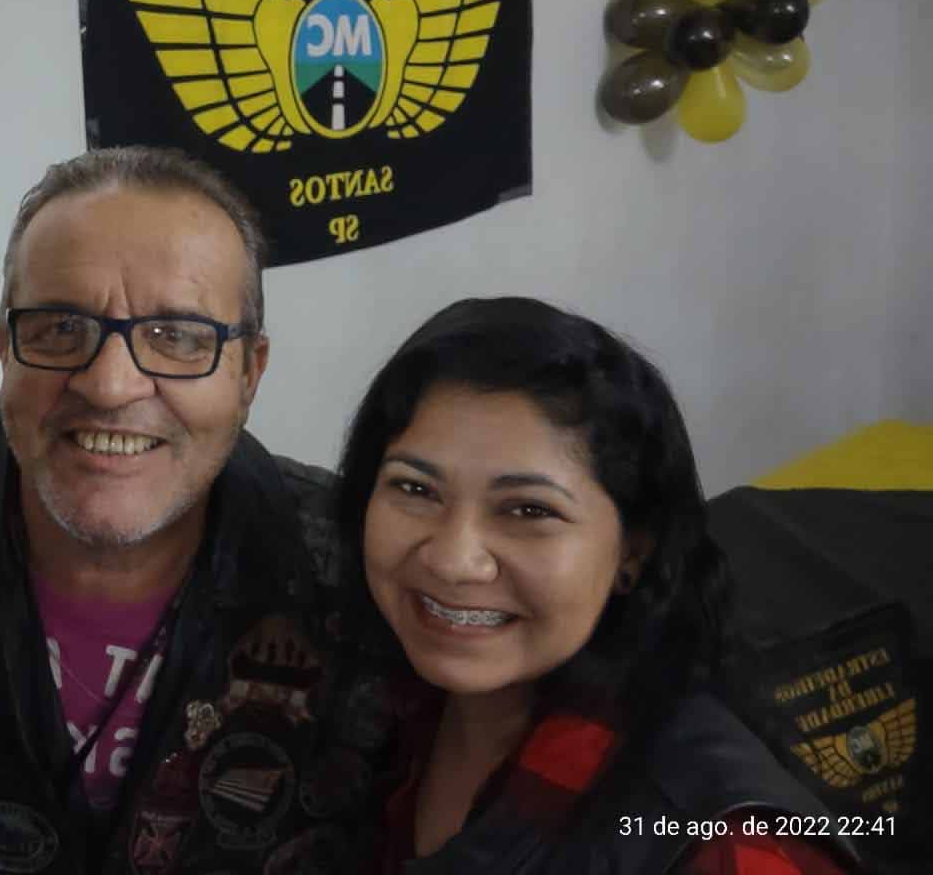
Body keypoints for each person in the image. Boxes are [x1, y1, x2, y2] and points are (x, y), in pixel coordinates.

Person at [0, 147, 395, 875]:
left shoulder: (364, 570)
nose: (111, 385)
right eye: (60, 328)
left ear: (250, 371)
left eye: (177, 337)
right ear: (5, 350)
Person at [337, 297, 860, 874]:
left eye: (529, 510)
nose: (454, 561)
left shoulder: (729, 848)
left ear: (632, 553)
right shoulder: (385, 706)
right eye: (415, 489)